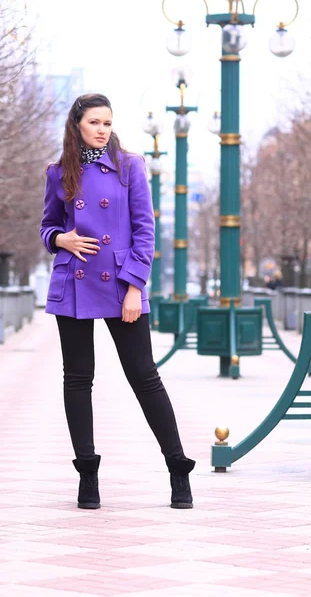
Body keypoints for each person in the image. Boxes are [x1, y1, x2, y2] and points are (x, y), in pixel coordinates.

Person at [40, 93, 195, 510]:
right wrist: (60, 238)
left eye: (107, 122)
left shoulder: (130, 166)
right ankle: (87, 475)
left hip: (121, 284)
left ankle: (178, 470)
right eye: (94, 122)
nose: (102, 129)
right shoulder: (58, 173)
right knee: (78, 378)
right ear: (77, 126)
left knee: (144, 376)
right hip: (73, 284)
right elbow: (48, 226)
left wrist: (133, 287)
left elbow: (145, 230)